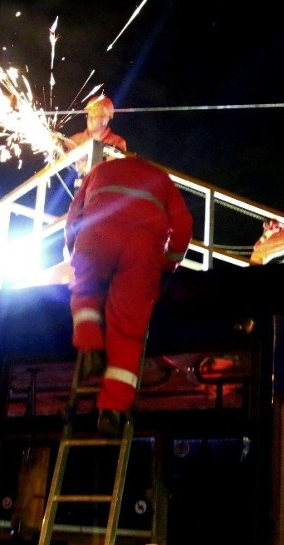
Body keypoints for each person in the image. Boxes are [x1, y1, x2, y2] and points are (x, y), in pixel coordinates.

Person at [64, 155, 193, 437]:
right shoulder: (161, 178)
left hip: (96, 233)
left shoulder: (99, 171)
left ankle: (90, 345)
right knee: (128, 328)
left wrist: (77, 251)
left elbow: (73, 216)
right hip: (143, 247)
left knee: (85, 290)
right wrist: (166, 265)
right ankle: (112, 410)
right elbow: (184, 227)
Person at [63, 94, 128, 153]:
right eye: (88, 116)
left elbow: (111, 164)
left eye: (94, 116)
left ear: (105, 119)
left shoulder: (116, 142)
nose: (90, 119)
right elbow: (61, 151)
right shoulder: (77, 139)